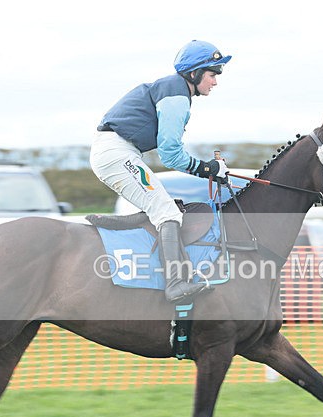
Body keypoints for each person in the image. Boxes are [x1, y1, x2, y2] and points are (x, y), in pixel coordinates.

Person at [90, 40, 231, 302]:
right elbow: (170, 154)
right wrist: (207, 169)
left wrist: (207, 169)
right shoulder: (176, 94)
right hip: (116, 153)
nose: (215, 82)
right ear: (194, 73)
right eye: (212, 74)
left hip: (119, 152)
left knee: (166, 208)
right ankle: (176, 284)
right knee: (166, 210)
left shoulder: (175, 90)